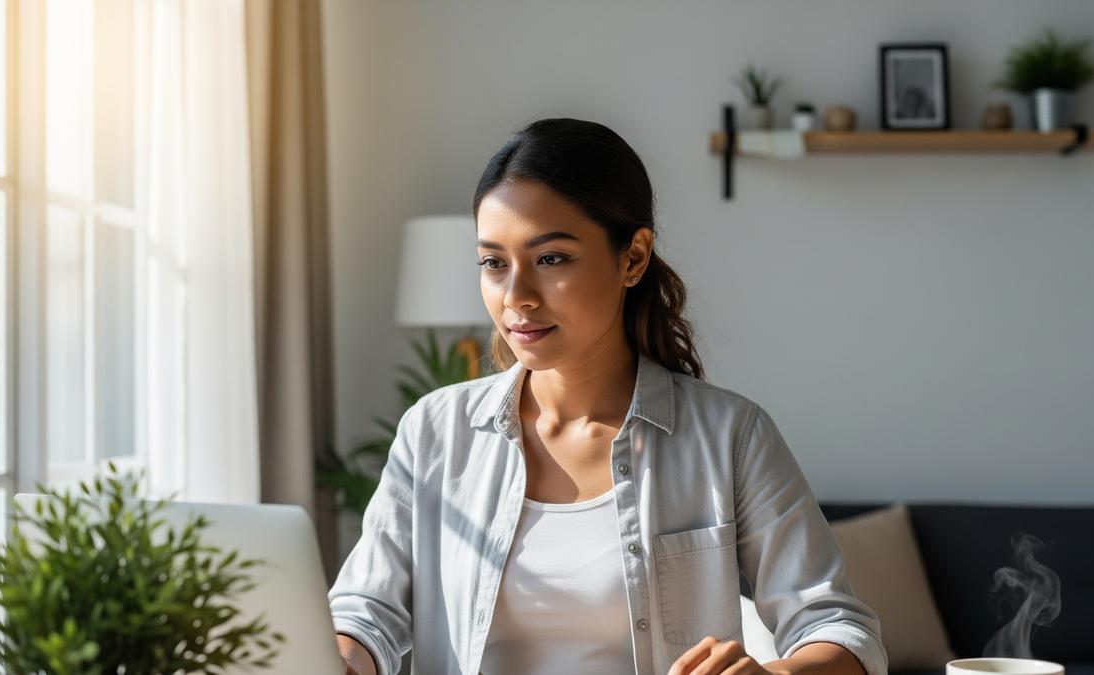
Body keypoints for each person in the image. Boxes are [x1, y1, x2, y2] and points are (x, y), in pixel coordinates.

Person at [329, 118, 888, 675]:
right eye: (494, 263)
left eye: (551, 259)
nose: (516, 297)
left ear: (633, 258)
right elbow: (364, 612)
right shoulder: (435, 430)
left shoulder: (730, 436)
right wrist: (339, 657)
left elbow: (837, 629)